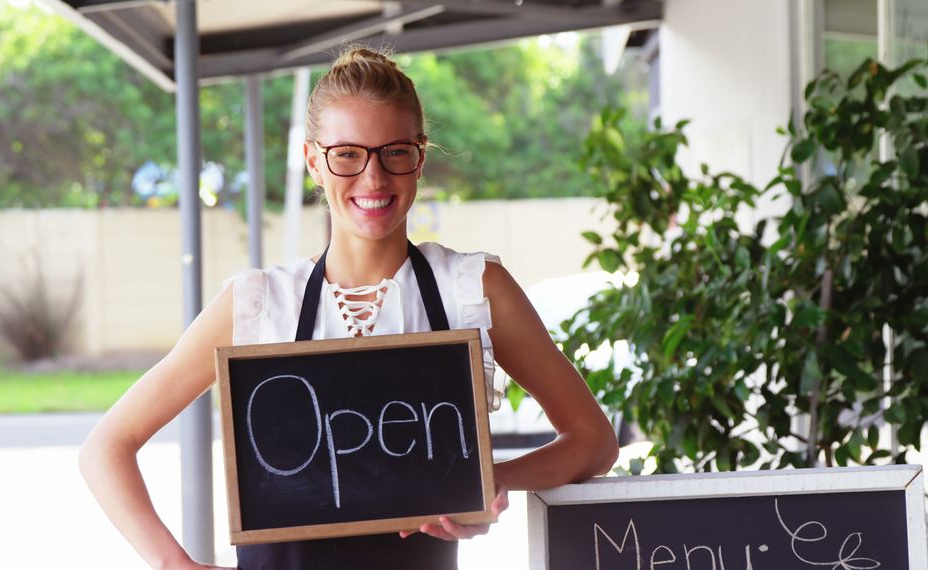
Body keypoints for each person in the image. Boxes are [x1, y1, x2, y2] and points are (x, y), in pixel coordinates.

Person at [79, 47, 619, 570]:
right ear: (314, 160)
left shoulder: (471, 288)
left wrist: (486, 481)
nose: (374, 178)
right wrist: (172, 563)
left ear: (419, 158)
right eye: (347, 155)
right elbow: (107, 447)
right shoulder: (259, 303)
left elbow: (593, 441)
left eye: (395, 152)